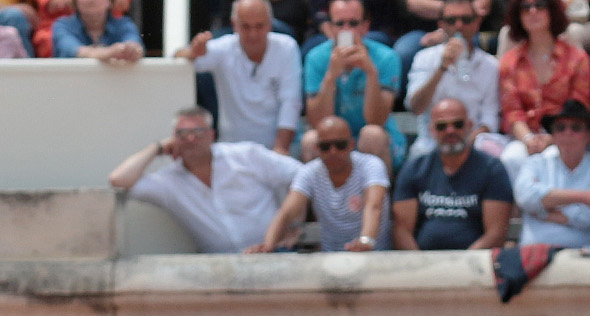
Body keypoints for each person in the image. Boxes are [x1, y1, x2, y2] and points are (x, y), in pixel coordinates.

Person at [108, 108, 301, 254]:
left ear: (212, 135)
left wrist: (293, 225)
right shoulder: (168, 182)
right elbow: (118, 179)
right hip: (219, 270)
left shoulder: (246, 155)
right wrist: (157, 148)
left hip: (274, 253)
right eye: (182, 134)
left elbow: (303, 176)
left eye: (198, 131)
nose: (191, 139)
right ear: (173, 138)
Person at [175, 0, 304, 153]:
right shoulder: (223, 48)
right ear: (234, 24)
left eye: (259, 26)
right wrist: (193, 52)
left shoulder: (286, 47)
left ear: (270, 24)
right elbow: (177, 57)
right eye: (246, 26)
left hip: (278, 146)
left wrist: (281, 147)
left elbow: (291, 101)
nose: (253, 34)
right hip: (233, 150)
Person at [251, 116, 390, 251]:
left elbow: (374, 206)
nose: (333, 151)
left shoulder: (371, 165)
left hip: (374, 255)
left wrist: (365, 241)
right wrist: (268, 245)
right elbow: (286, 213)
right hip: (330, 259)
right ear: (317, 148)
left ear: (351, 145)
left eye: (340, 145)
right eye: (325, 146)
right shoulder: (310, 172)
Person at [394, 98, 516, 248]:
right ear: (432, 130)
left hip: (474, 264)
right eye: (442, 126)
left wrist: (462, 264)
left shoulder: (492, 169)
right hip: (423, 264)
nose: (450, 131)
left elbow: (496, 232)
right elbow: (401, 230)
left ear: (469, 126)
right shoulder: (414, 169)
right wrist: (420, 266)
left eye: (458, 124)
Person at [304, 0, 403, 176]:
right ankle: (322, 203)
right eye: (340, 24)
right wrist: (331, 77)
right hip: (336, 139)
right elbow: (318, 122)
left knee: (372, 135)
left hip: (374, 138)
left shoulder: (387, 58)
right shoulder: (315, 58)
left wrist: (370, 72)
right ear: (331, 27)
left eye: (353, 23)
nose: (347, 30)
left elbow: (376, 121)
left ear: (365, 26)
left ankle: (378, 201)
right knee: (310, 140)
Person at [499, 0, 590, 181]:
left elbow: (578, 105)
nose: (533, 11)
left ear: (552, 11)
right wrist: (528, 139)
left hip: (565, 134)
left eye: (540, 5)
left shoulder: (577, 58)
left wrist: (551, 138)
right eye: (525, 8)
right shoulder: (509, 61)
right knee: (511, 158)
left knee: (551, 159)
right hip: (524, 136)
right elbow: (512, 110)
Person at [407, 0, 505, 160]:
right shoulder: (423, 58)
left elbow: (490, 117)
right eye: (451, 20)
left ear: (477, 23)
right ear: (441, 24)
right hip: (433, 142)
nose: (459, 26)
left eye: (466, 20)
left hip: (475, 143)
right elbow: (416, 107)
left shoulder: (490, 65)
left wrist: (467, 141)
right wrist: (442, 68)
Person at [515, 99, 590, 246]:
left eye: (576, 128)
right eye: (560, 127)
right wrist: (585, 197)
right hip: (533, 253)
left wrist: (542, 210)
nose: (567, 133)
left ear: (589, 135)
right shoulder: (536, 163)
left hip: (581, 255)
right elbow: (526, 198)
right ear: (553, 135)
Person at [51, 0, 141, 60]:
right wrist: (106, 53)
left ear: (110, 1)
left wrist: (131, 50)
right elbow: (70, 49)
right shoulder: (62, 25)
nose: (91, 0)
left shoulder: (124, 24)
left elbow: (135, 44)